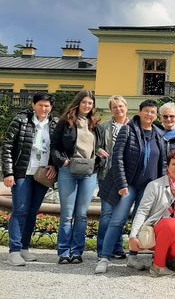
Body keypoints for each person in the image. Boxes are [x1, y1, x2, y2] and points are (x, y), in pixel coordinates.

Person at [97, 99, 167, 272]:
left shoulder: (159, 133)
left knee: (139, 222)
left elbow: (163, 162)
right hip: (128, 184)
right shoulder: (128, 129)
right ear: (140, 112)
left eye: (153, 112)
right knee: (118, 220)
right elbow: (117, 157)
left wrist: (163, 186)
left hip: (148, 187)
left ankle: (132, 257)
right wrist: (121, 184)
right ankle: (104, 257)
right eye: (146, 111)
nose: (149, 114)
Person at [51, 90, 107, 264]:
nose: (87, 105)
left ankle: (77, 251)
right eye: (84, 102)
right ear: (78, 103)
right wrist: (62, 161)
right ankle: (64, 252)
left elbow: (100, 147)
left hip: (89, 172)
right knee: (67, 214)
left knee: (82, 214)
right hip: (68, 170)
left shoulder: (95, 124)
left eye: (90, 103)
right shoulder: (65, 122)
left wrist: (99, 158)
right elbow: (54, 146)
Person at [2, 92, 58, 266]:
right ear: (34, 105)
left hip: (42, 174)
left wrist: (54, 165)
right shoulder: (21, 120)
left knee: (32, 211)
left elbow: (58, 149)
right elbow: (7, 146)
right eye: (40, 105)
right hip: (23, 172)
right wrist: (8, 173)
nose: (43, 108)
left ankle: (24, 248)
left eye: (47, 105)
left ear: (51, 108)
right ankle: (14, 251)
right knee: (20, 210)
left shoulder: (54, 124)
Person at [120, 151, 175, 277]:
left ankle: (165, 258)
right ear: (168, 166)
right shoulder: (155, 185)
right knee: (171, 224)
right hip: (156, 229)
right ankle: (158, 266)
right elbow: (142, 211)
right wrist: (133, 235)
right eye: (173, 164)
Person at [96, 95, 130, 260]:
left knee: (120, 215)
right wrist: (98, 150)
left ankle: (117, 247)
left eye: (121, 106)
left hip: (126, 177)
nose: (118, 109)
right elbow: (95, 145)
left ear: (126, 107)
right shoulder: (104, 127)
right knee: (107, 214)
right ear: (111, 110)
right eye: (115, 107)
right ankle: (103, 248)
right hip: (107, 175)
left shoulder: (134, 126)